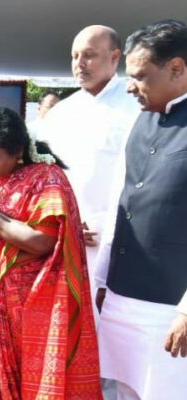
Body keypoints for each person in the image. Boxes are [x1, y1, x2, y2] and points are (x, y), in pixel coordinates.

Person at [0, 107, 102, 399]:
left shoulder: (46, 178)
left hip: (25, 304)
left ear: (18, 151)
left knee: (26, 384)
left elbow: (40, 241)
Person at [93, 20, 187, 400]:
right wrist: (102, 282)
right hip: (121, 297)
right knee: (122, 393)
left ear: (177, 69)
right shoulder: (141, 117)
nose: (130, 86)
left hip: (169, 310)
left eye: (141, 77)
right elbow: (124, 200)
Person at [36, 25, 140, 307]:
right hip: (68, 236)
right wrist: (59, 222)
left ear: (115, 57)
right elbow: (42, 175)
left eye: (89, 55)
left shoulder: (138, 106)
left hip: (125, 240)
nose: (79, 64)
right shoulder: (60, 114)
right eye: (74, 56)